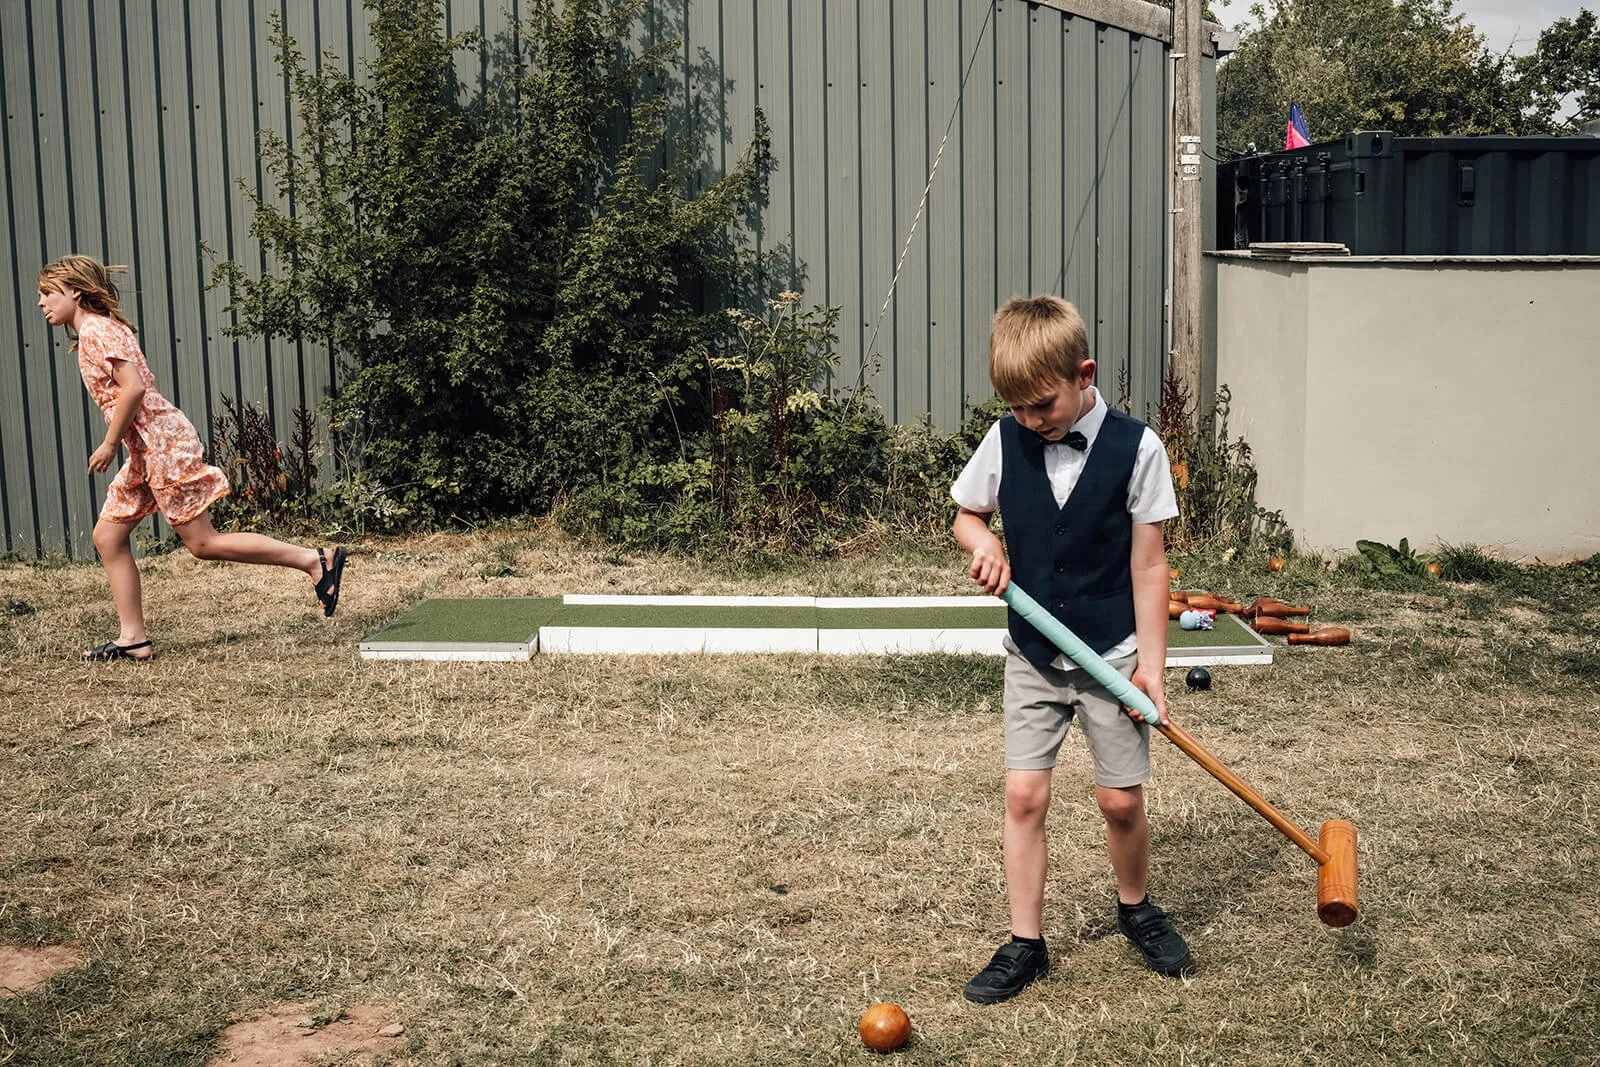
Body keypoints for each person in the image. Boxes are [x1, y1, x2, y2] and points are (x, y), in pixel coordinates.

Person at [950, 294, 1189, 1003]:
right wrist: (984, 540)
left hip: (1111, 651)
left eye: (1042, 405)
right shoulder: (1006, 437)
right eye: (1017, 408)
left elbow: (1149, 566)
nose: (1031, 420)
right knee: (1024, 792)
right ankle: (1026, 942)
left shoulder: (1138, 447)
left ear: (1084, 373)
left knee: (1119, 799)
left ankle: (1136, 907)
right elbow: (966, 515)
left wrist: (1151, 665)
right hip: (1033, 652)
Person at [36, 255, 346, 661]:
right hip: (146, 448)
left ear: (75, 291)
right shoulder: (96, 332)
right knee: (108, 537)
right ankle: (134, 639)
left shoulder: (97, 330)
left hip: (161, 444)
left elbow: (133, 390)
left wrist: (109, 443)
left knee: (202, 543)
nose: (41, 303)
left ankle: (314, 560)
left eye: (47, 293)